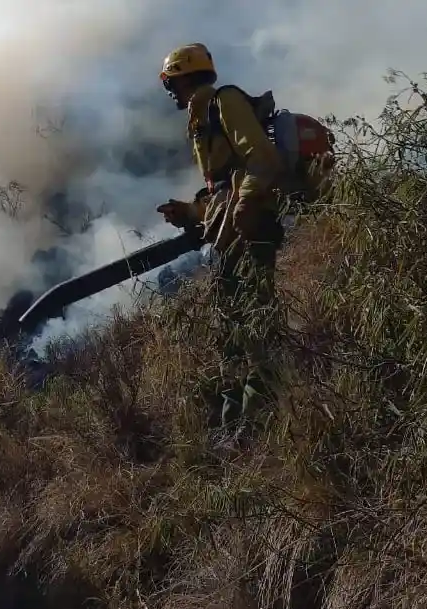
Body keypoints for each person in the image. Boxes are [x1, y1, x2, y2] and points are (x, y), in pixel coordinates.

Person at [154, 42, 286, 434]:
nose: (170, 93)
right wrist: (190, 212)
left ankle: (260, 417)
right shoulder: (201, 119)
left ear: (186, 77)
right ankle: (236, 420)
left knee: (254, 317)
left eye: (172, 84)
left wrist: (245, 210)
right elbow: (221, 192)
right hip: (231, 233)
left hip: (251, 227)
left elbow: (262, 159)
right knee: (231, 323)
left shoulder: (224, 103)